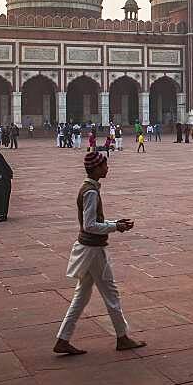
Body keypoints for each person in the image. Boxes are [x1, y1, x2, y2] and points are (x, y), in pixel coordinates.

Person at [54, 152, 144, 355]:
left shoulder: (89, 188)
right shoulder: (91, 192)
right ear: (95, 169)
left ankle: (63, 338)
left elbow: (92, 222)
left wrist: (115, 223)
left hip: (87, 248)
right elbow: (90, 225)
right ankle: (122, 337)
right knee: (110, 293)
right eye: (104, 165)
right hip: (93, 250)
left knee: (81, 296)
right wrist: (115, 227)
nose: (107, 168)